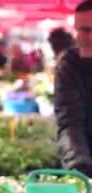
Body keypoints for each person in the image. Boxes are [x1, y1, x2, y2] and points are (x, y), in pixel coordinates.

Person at [55, 0, 92, 176]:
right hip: (85, 161)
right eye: (79, 30)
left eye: (89, 30)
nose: (81, 37)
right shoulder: (69, 65)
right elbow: (69, 120)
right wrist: (79, 166)